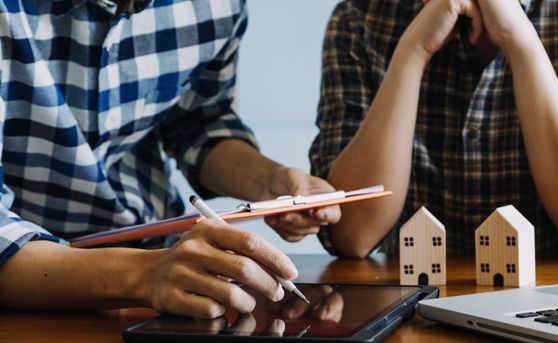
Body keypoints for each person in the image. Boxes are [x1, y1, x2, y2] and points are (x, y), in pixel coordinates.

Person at [0, 0, 340, 319]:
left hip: (159, 268)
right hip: (26, 286)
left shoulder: (214, 7)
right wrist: (143, 274)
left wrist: (268, 181)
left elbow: (196, 120)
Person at [307, 0, 558, 259]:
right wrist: (412, 51)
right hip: (410, 320)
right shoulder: (359, 17)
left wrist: (521, 41)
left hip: (548, 314)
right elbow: (352, 232)